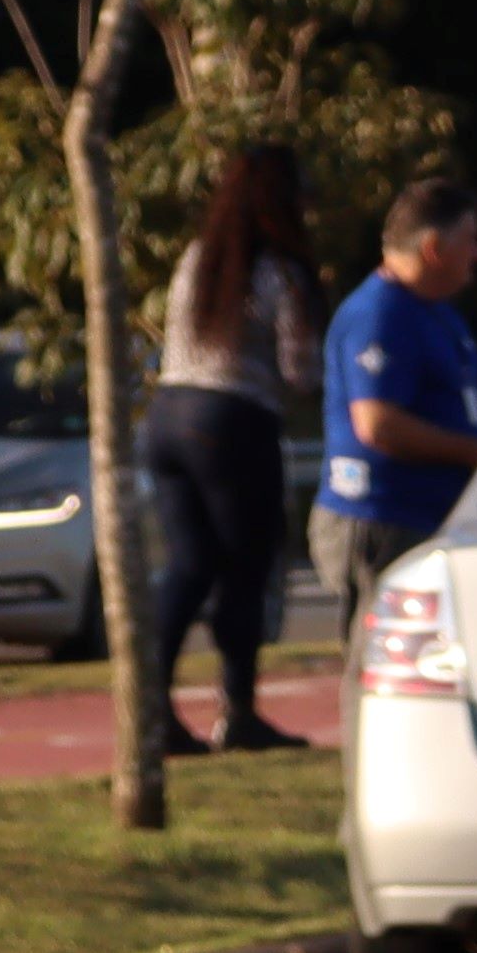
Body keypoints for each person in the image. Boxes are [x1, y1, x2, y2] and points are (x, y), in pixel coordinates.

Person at [141, 144, 324, 755]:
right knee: (244, 571)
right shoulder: (279, 271)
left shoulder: (198, 258)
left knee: (189, 566)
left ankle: (151, 709)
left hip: (168, 415)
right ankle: (238, 710)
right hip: (233, 421)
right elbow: (299, 370)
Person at [315, 176, 477, 642]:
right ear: (433, 248)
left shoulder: (434, 310)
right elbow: (378, 424)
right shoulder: (381, 314)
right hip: (383, 518)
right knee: (381, 663)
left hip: (425, 517)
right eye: (470, 240)